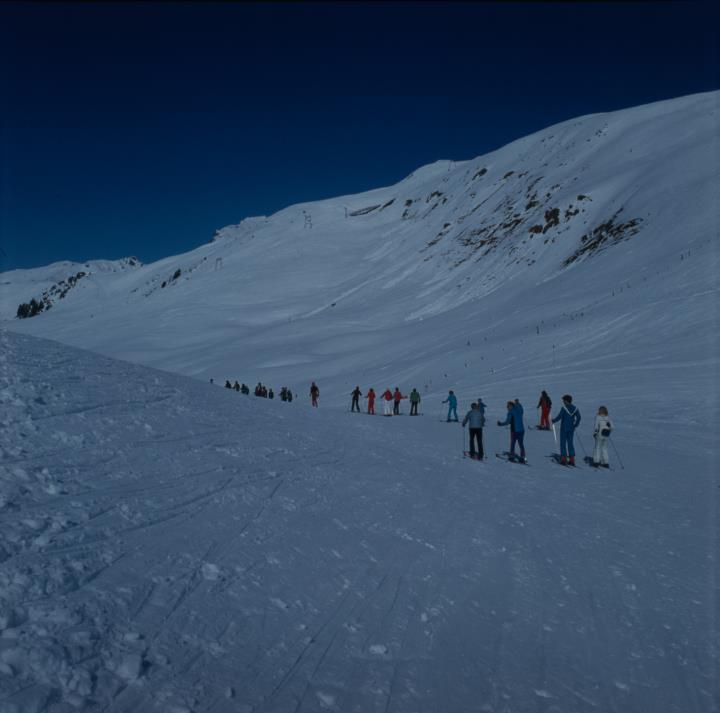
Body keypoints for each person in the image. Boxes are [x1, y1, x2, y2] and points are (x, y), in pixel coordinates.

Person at [552, 394, 581, 465]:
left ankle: (564, 459)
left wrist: (554, 420)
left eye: (564, 400)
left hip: (564, 429)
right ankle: (572, 459)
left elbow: (559, 417)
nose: (563, 402)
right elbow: (579, 417)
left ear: (566, 401)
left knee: (563, 443)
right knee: (570, 443)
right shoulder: (575, 408)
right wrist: (576, 425)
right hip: (571, 428)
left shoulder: (564, 408)